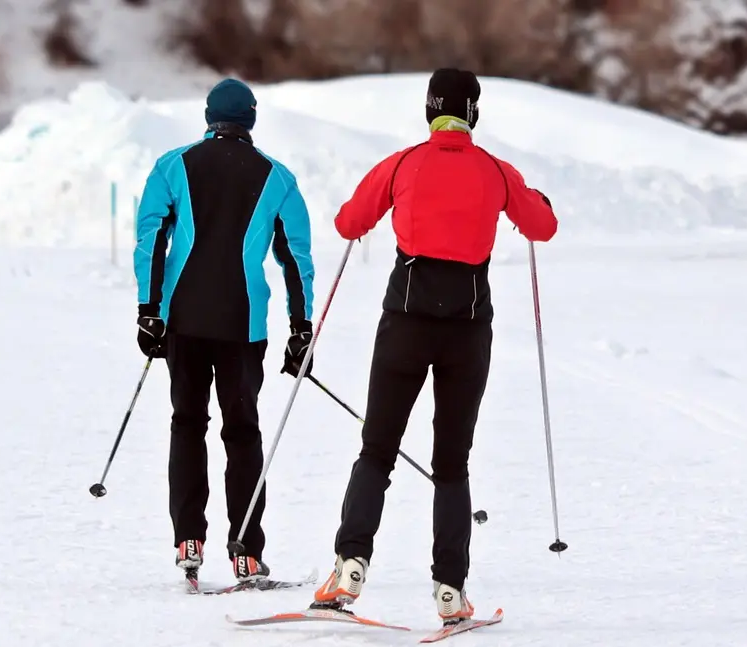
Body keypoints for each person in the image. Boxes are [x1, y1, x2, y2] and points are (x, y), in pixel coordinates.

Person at [312, 68, 558, 622]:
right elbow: (542, 227)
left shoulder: (403, 164)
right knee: (451, 463)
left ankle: (349, 565)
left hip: (404, 325)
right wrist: (536, 200)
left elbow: (348, 223)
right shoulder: (496, 171)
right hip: (467, 333)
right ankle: (450, 589)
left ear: (430, 110)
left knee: (377, 449)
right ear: (473, 114)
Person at [134, 78, 316, 584]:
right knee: (242, 432)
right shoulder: (277, 178)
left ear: (208, 116)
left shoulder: (172, 165)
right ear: (251, 119)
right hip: (243, 325)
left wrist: (149, 311)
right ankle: (246, 552)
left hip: (184, 321)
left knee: (187, 423)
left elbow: (151, 239)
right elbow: (296, 260)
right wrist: (301, 329)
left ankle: (188, 539)